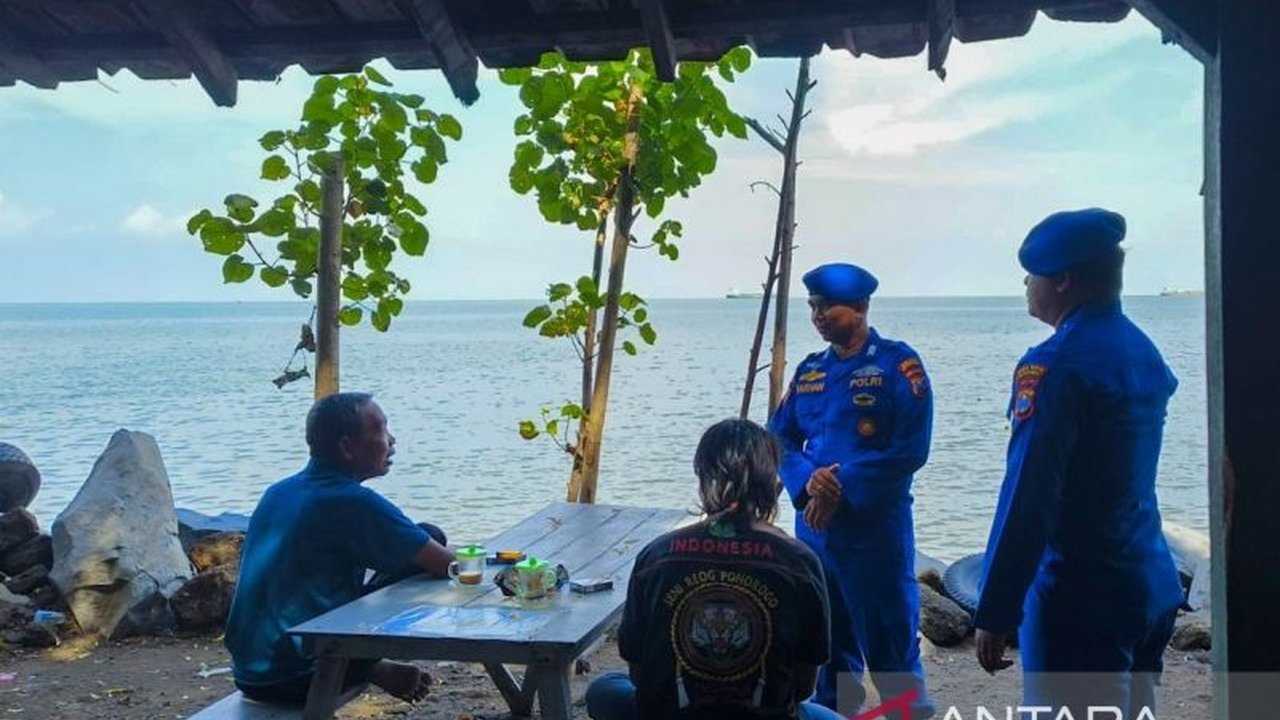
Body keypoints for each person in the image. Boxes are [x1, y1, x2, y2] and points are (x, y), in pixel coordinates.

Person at [973, 209, 1184, 716]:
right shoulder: (1139, 348)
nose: (1026, 283)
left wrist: (997, 608)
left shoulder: (1056, 365)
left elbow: (1029, 496)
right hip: (1147, 579)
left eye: (1034, 273)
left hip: (1080, 596)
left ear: (1064, 280)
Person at [585, 419, 843, 720]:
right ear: (772, 484)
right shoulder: (799, 562)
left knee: (603, 690)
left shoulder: (656, 556)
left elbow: (639, 674)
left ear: (701, 478)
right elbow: (801, 687)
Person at [768, 262, 934, 718]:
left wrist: (837, 486)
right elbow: (779, 437)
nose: (818, 316)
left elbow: (910, 450)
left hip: (874, 534)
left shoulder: (898, 366)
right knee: (829, 648)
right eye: (813, 307)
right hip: (817, 537)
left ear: (860, 307)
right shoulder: (810, 371)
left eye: (828, 308)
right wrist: (807, 480)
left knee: (891, 647)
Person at [224, 392, 456, 706]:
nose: (392, 440)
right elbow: (450, 566)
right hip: (297, 674)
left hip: (249, 670)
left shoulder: (279, 491)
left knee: (423, 538)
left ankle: (370, 665)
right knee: (429, 548)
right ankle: (365, 664)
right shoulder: (350, 501)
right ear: (347, 447)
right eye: (381, 430)